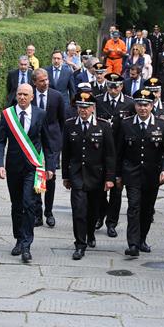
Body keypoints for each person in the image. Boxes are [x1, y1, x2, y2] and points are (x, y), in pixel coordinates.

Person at [0, 83, 55, 263]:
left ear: (32, 97)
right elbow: (0, 141)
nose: (22, 97)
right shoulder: (7, 115)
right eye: (19, 94)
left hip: (32, 167)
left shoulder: (40, 114)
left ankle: (27, 245)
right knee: (16, 205)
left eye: (25, 95)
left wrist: (50, 166)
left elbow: (47, 142)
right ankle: (19, 239)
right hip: (13, 167)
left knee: (29, 204)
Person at [116, 89, 164, 257]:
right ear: (135, 106)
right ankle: (133, 244)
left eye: (146, 105)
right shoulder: (126, 124)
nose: (143, 108)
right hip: (131, 173)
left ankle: (142, 239)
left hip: (152, 174)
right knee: (133, 207)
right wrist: (117, 174)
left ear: (152, 106)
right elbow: (118, 152)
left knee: (147, 209)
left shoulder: (162, 124)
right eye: (140, 105)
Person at [62, 92, 116, 259]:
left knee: (93, 211)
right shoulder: (70, 125)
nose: (83, 110)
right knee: (78, 210)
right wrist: (66, 176)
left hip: (96, 175)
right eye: (80, 107)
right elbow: (66, 152)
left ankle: (90, 233)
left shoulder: (103, 126)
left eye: (86, 107)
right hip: (77, 174)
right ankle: (79, 244)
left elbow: (110, 154)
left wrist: (109, 178)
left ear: (93, 108)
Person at [95, 73, 135, 236]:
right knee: (99, 188)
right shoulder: (98, 100)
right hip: (100, 151)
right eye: (110, 86)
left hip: (120, 151)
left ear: (121, 87)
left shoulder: (129, 103)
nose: (113, 90)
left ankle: (112, 222)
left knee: (117, 190)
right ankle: (100, 214)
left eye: (116, 86)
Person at [31, 68, 66, 228]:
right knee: (37, 175)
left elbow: (62, 119)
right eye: (42, 81)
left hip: (52, 141)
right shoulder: (30, 96)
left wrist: (60, 140)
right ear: (34, 82)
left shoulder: (56, 96)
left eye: (47, 80)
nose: (45, 83)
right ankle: (37, 213)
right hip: (35, 141)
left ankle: (49, 212)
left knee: (50, 175)